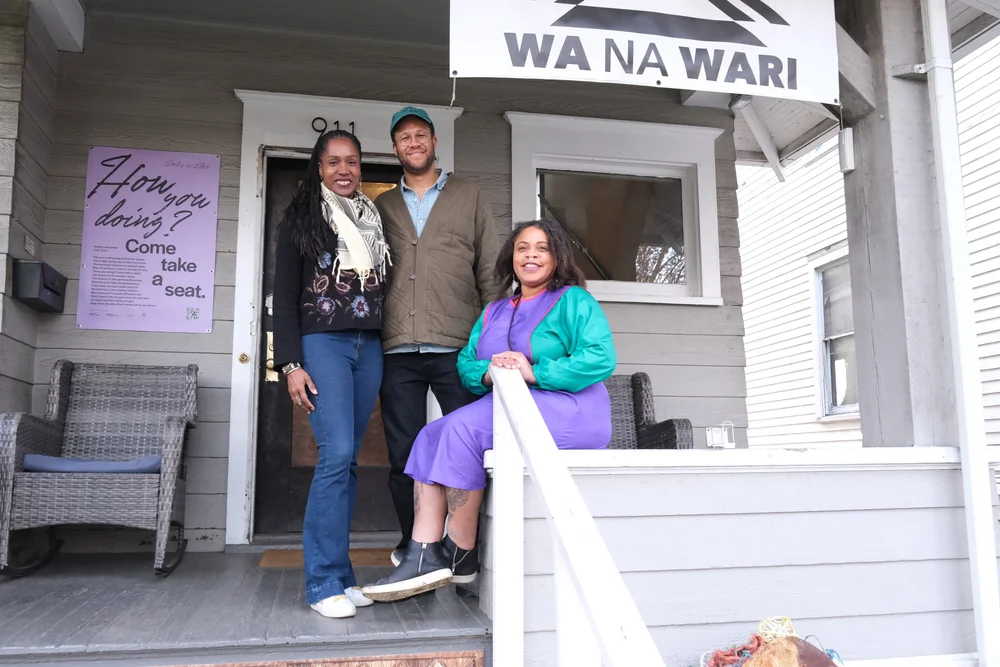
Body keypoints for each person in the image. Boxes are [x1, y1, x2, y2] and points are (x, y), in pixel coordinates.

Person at [362, 219, 617, 602]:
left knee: (461, 429)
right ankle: (429, 549)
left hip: (570, 409)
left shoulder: (574, 301)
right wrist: (488, 371)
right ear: (510, 258)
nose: (531, 254)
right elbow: (466, 362)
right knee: (430, 434)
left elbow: (600, 358)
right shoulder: (495, 311)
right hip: (511, 403)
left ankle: (457, 552)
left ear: (557, 256)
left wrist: (535, 371)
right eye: (522, 248)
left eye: (542, 247)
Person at [375, 106, 501, 568]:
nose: (413, 143)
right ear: (395, 148)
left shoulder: (469, 196)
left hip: (458, 346)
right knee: (403, 454)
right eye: (404, 137)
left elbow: (489, 269)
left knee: (472, 450)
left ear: (433, 142)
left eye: (421, 135)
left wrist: (492, 337)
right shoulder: (382, 205)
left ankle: (466, 549)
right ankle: (415, 545)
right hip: (397, 346)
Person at [272, 130, 390, 619]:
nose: (344, 170)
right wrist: (291, 364)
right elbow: (283, 294)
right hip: (324, 344)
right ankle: (321, 582)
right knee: (336, 452)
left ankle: (342, 575)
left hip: (371, 345)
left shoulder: (372, 218)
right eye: (334, 162)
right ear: (318, 168)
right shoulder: (300, 220)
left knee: (350, 461)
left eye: (353, 162)